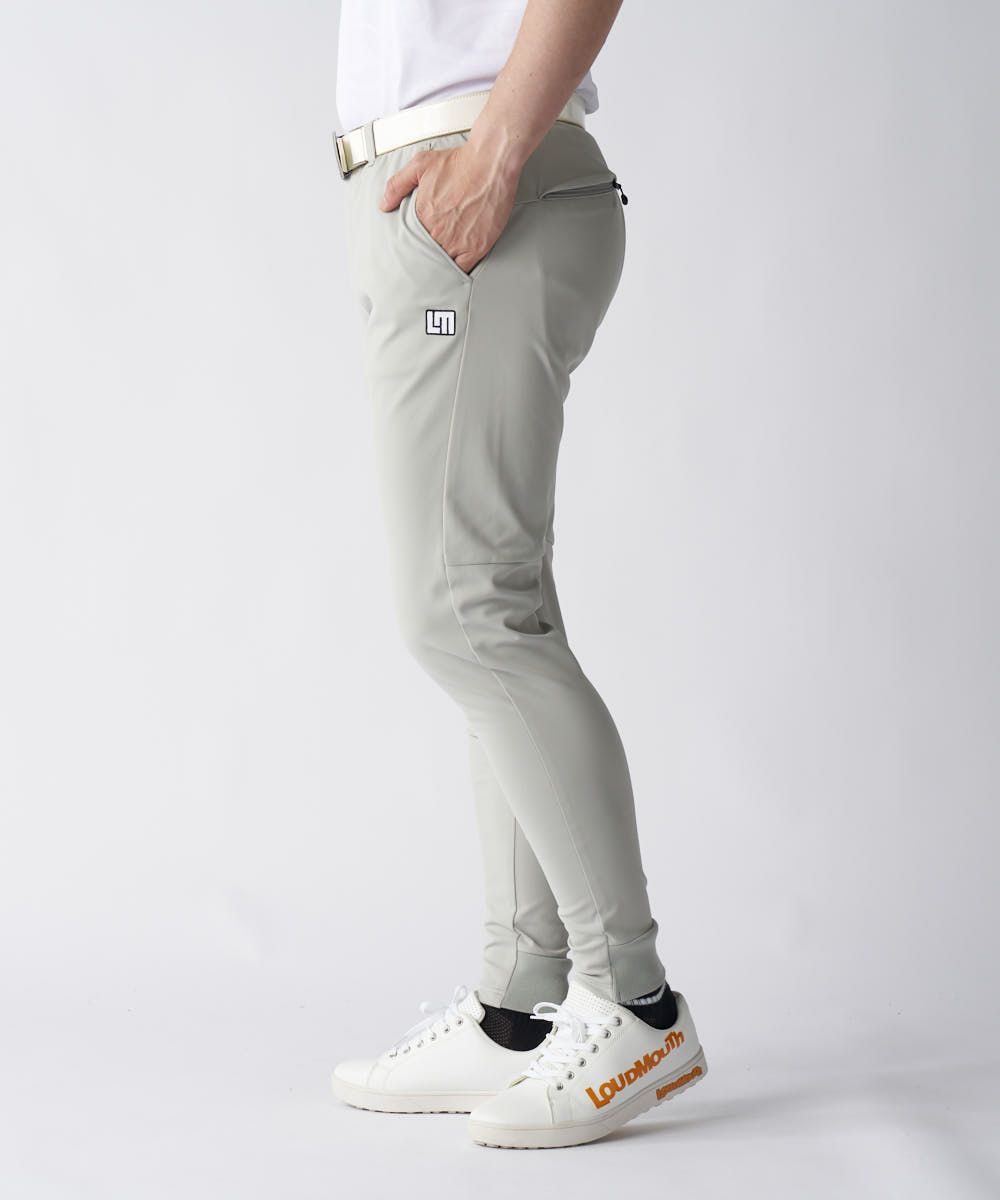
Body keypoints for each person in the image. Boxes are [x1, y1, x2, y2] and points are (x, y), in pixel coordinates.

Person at [330, 0, 706, 1149]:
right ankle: (518, 1009)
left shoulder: (482, 175)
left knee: (464, 613)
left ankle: (633, 1003)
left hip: (479, 184)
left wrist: (489, 162)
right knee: (493, 609)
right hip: (452, 188)